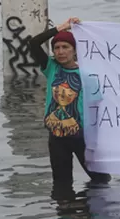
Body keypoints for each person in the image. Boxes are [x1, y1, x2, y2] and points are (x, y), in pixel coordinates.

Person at [29, 18, 111, 188]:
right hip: (57, 137)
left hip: (81, 137)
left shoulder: (87, 76)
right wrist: (59, 28)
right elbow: (33, 43)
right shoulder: (51, 68)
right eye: (57, 48)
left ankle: (93, 212)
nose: (60, 52)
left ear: (74, 51)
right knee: (61, 184)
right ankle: (65, 213)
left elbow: (97, 109)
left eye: (65, 47)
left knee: (100, 180)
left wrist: (97, 141)